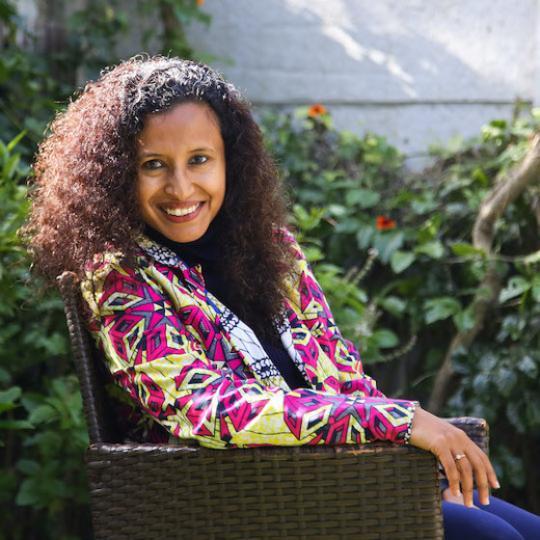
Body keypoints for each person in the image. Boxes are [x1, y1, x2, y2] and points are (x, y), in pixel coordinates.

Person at [24, 55, 540, 539]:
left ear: (231, 162)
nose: (181, 187)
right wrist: (401, 422)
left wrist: (412, 458)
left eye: (199, 159)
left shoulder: (272, 248)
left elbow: (341, 374)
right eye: (153, 165)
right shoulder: (117, 277)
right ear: (116, 174)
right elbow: (207, 408)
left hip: (345, 476)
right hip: (242, 498)